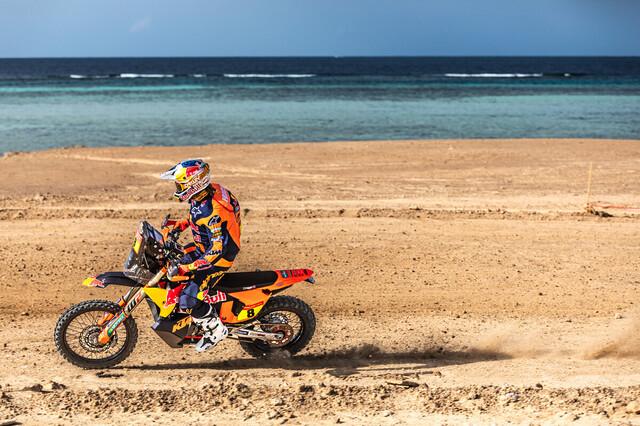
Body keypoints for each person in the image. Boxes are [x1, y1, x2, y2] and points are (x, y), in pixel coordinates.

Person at [160, 159, 241, 352]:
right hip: (202, 248)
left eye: (180, 184)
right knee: (169, 262)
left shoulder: (214, 211)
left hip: (217, 259)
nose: (178, 188)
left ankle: (215, 330)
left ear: (194, 184)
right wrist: (180, 224)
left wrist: (189, 267)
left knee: (188, 298)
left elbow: (216, 250)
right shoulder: (206, 193)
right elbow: (197, 215)